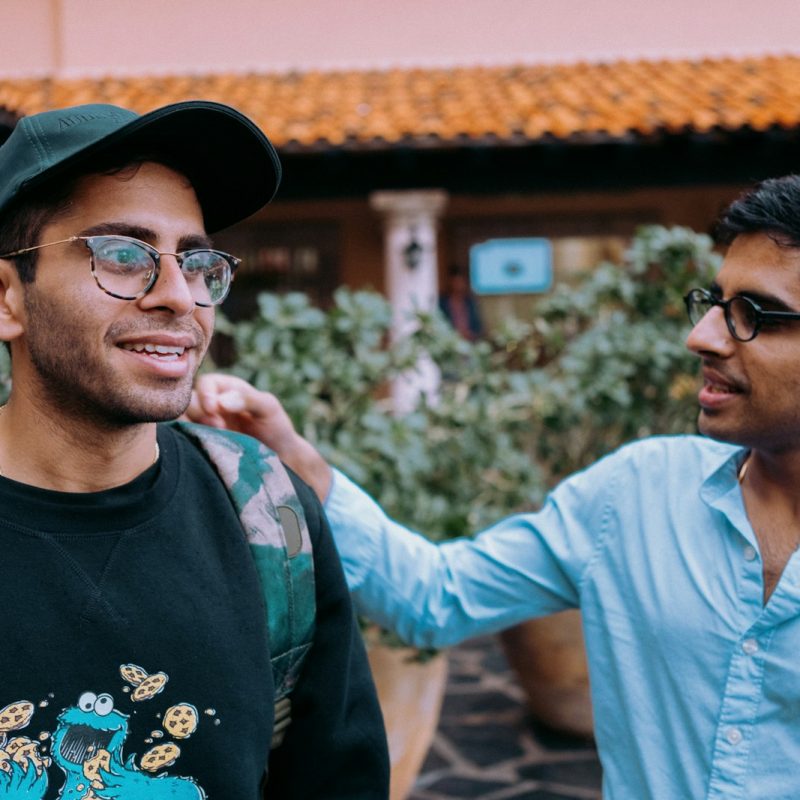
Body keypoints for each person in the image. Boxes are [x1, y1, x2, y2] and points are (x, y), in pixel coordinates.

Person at [188, 174, 800, 800]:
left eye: (756, 315)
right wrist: (296, 459)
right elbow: (436, 596)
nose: (702, 337)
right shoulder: (636, 493)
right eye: (716, 304)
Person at [0, 102, 388, 800]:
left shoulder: (268, 515)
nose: (179, 297)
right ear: (6, 296)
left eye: (198, 261)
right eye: (122, 255)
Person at [438, 265, 482, 340]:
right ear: (450, 282)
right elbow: (440, 324)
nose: (458, 285)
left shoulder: (470, 302)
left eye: (460, 281)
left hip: (470, 342)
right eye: (455, 281)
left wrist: (470, 334)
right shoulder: (442, 302)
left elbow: (478, 326)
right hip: (450, 342)